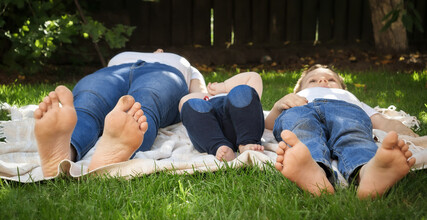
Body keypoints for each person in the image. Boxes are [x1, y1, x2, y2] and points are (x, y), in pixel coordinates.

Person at [34, 49, 208, 177]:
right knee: (88, 103)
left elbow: (200, 96)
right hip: (112, 73)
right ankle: (66, 150)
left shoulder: (186, 67)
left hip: (163, 73)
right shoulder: (123, 57)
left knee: (141, 107)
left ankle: (117, 150)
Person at [265, 64, 417, 199]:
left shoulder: (349, 98)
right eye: (312, 80)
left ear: (343, 88)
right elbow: (268, 125)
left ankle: (367, 172)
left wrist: (402, 130)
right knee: (302, 132)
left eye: (331, 80)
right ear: (299, 90)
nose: (323, 81)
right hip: (300, 109)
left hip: (344, 109)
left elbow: (382, 121)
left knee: (353, 134)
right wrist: (278, 106)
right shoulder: (295, 97)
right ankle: (314, 170)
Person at [179, 72, 265, 161]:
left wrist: (224, 86)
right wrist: (204, 96)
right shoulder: (203, 99)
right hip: (209, 128)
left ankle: (247, 143)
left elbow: (254, 77)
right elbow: (183, 105)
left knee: (242, 91)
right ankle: (220, 147)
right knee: (190, 105)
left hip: (239, 123)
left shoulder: (236, 94)